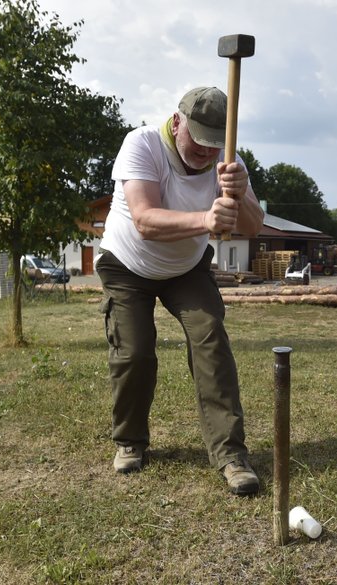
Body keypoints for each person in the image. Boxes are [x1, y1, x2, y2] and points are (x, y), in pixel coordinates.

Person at [96, 87, 265, 496]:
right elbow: (145, 219)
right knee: (135, 351)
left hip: (186, 268)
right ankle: (130, 441)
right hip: (128, 265)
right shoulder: (142, 145)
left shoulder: (228, 162)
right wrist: (207, 217)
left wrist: (239, 195)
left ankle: (230, 455)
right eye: (199, 141)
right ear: (177, 123)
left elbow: (254, 226)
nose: (207, 154)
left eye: (215, 145)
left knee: (211, 339)